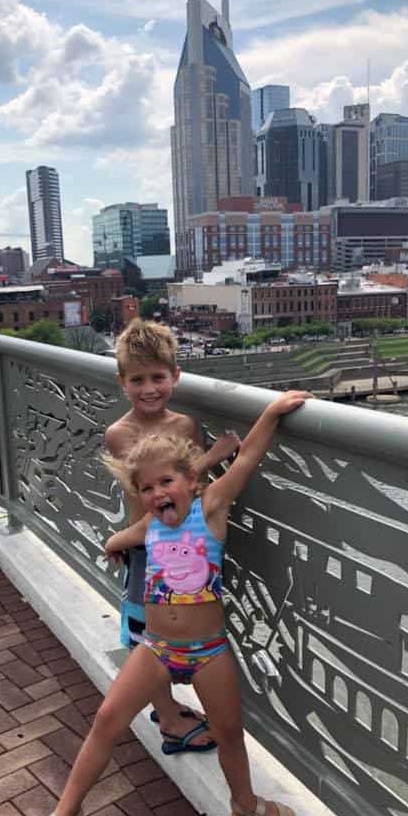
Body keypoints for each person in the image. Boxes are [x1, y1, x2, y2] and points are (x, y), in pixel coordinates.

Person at [17, 389, 311, 816]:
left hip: (208, 651)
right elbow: (119, 537)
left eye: (166, 482)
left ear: (191, 479)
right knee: (106, 720)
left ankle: (244, 802)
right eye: (147, 489)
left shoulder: (209, 507)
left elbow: (247, 458)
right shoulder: (149, 527)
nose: (157, 494)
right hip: (155, 648)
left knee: (228, 732)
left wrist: (272, 412)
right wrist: (113, 547)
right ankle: (64, 814)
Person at [105, 319, 239, 756]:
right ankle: (168, 717)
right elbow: (151, 490)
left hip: (188, 545)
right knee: (145, 631)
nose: (149, 389)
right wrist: (214, 456)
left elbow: (190, 490)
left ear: (175, 376)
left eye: (157, 377)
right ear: (122, 382)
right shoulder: (119, 434)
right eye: (137, 380)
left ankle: (170, 706)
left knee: (182, 622)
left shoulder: (185, 425)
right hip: (145, 544)